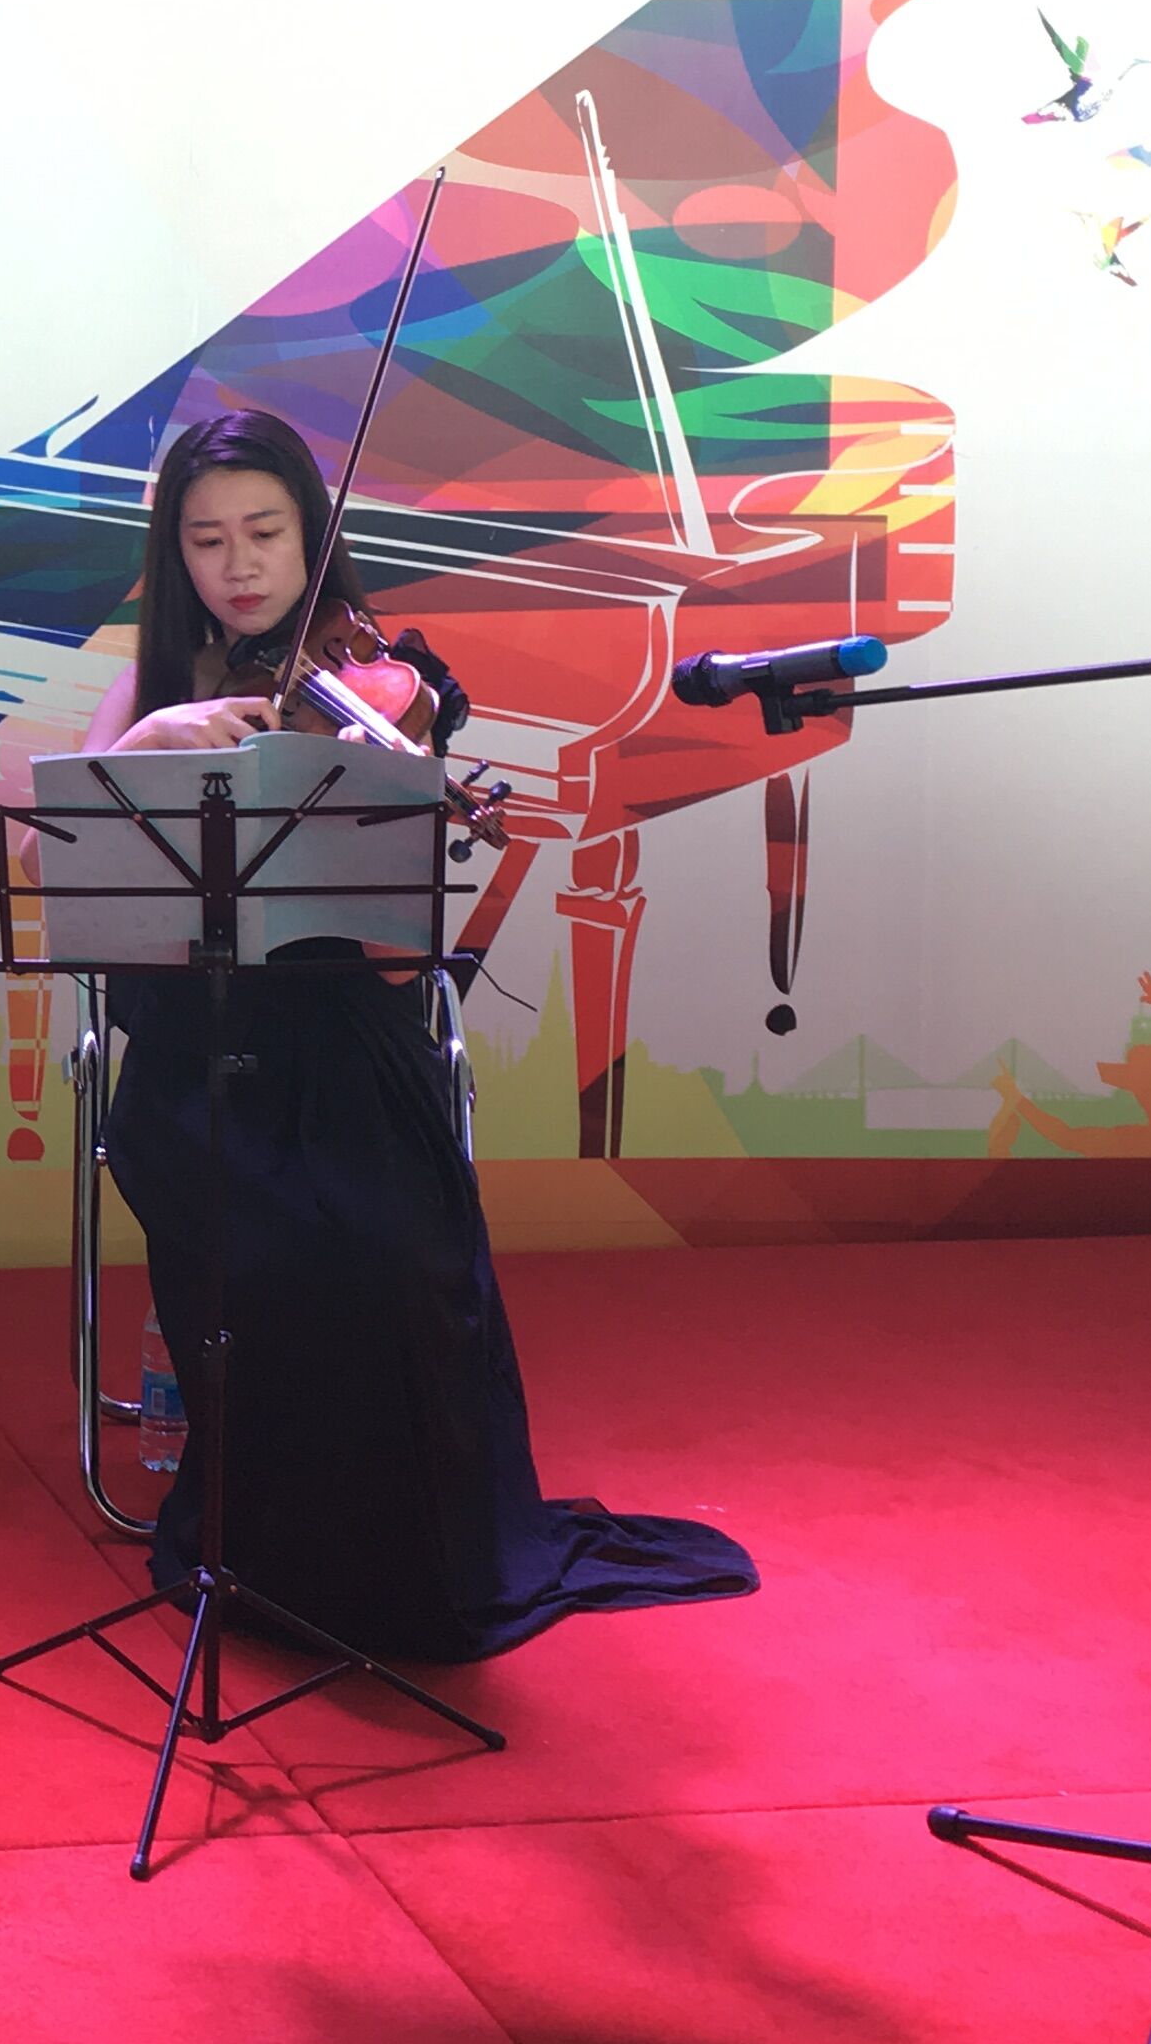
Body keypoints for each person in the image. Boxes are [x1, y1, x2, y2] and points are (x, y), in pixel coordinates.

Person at [80, 406, 756, 1660]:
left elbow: (396, 915)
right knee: (252, 1265)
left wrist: (392, 768)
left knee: (387, 1253)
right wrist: (150, 742)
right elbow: (58, 860)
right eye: (208, 541)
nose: (239, 566)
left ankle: (393, 1562)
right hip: (189, 1054)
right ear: (174, 555)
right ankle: (258, 1545)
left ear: (313, 536)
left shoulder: (380, 679)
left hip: (342, 1038)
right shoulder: (149, 687)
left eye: (265, 533)